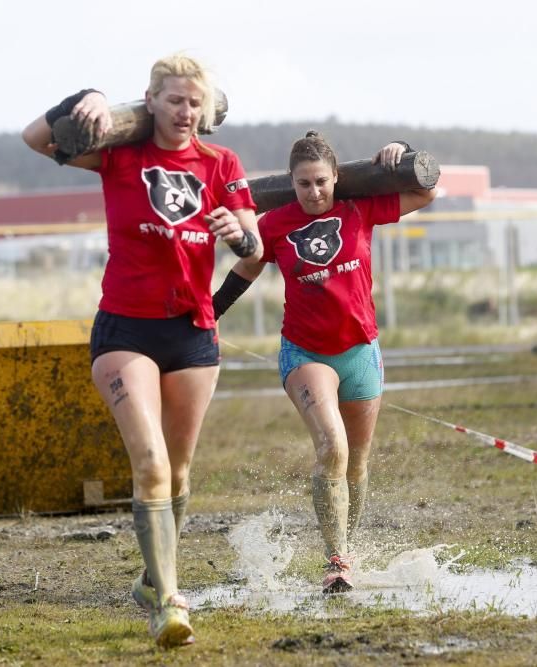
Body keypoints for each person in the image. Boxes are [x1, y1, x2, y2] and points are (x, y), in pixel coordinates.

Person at [22, 54, 262, 649]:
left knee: (177, 472)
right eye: (174, 100)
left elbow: (255, 247)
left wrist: (238, 232)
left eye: (194, 103)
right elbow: (35, 137)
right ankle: (167, 603)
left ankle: (152, 579)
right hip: (126, 330)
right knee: (150, 464)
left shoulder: (220, 163)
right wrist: (92, 97)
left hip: (192, 331)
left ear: (206, 110)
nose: (185, 112)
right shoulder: (118, 153)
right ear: (150, 101)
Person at [211, 131, 436, 593]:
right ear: (290, 184)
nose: (313, 193)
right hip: (306, 353)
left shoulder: (359, 208)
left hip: (361, 352)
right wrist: (207, 315)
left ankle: (346, 553)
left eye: (320, 182)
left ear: (336, 178)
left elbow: (425, 190)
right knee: (332, 447)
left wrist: (401, 153)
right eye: (303, 184)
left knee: (356, 463)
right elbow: (245, 270)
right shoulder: (274, 224)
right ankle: (335, 562)